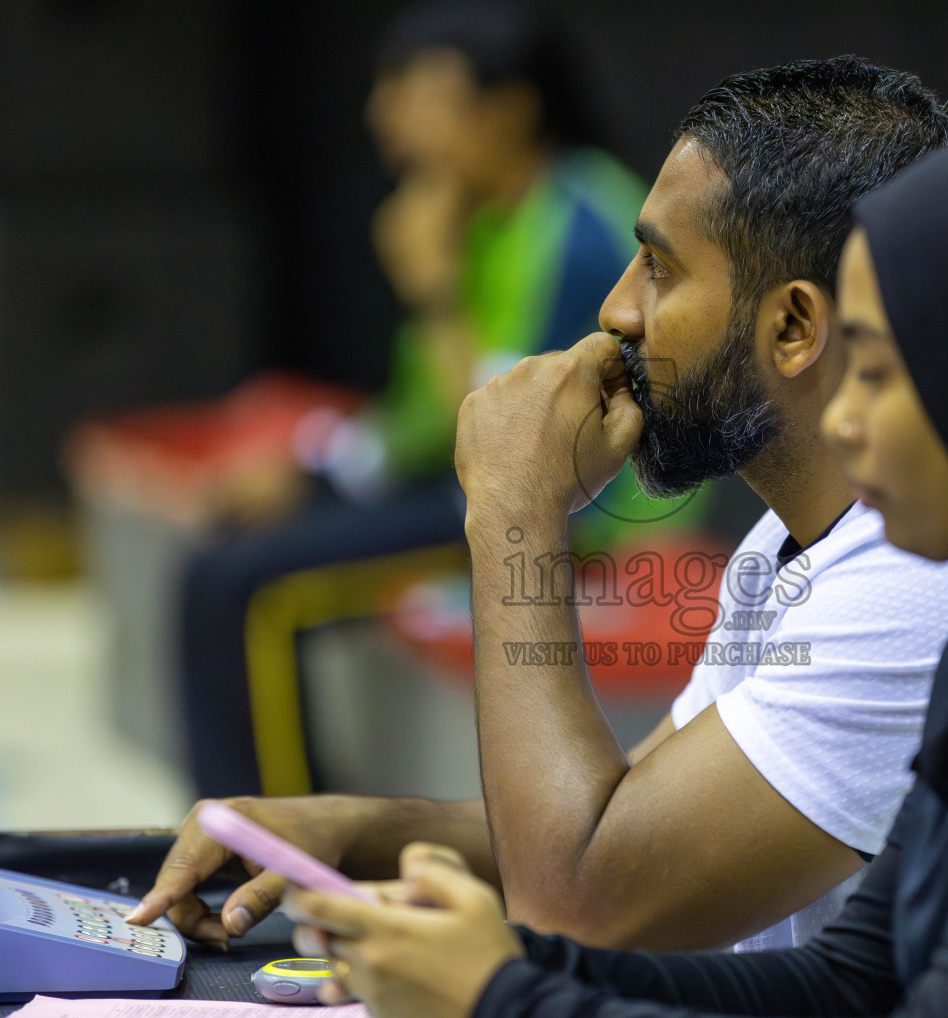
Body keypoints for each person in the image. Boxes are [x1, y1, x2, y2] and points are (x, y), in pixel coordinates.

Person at [278, 125, 948, 1018]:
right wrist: (485, 949)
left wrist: (514, 508)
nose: (848, 416)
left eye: (887, 369)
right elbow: (852, 982)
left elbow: (590, 888)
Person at [133, 57, 948, 953]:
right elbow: (627, 819)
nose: (620, 309)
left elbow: (581, 900)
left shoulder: (911, 585)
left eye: (658, 266)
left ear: (795, 328)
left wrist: (514, 508)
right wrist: (351, 828)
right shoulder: (791, 543)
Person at [177, 1, 670, 801]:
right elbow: (420, 420)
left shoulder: (576, 227)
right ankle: (237, 822)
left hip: (576, 510)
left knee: (252, 588)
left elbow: (513, 440)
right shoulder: (476, 210)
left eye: (418, 95)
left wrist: (434, 292)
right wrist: (311, 470)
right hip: (470, 479)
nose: (386, 118)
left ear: (510, 109)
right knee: (218, 551)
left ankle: (281, 857)